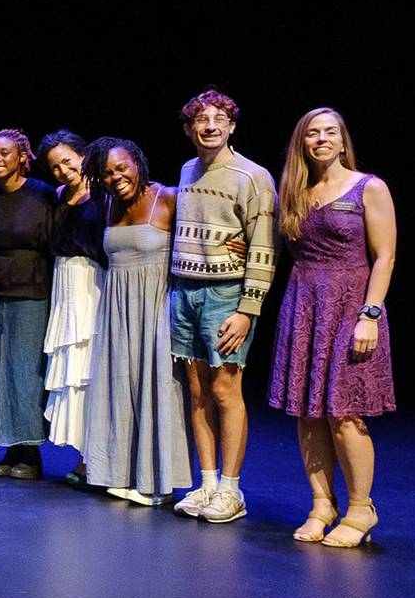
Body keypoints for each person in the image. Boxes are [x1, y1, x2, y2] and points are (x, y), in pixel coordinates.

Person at [267, 108, 395, 547]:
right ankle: (322, 504)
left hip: (351, 307)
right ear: (302, 143)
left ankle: (361, 509)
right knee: (308, 412)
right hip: (304, 306)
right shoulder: (295, 193)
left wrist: (370, 315)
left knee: (344, 412)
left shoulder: (368, 187)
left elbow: (385, 257)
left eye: (330, 132)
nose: (321, 139)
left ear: (342, 141)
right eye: (312, 133)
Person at [168, 89, 278, 524]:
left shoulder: (252, 176)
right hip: (185, 291)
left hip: (226, 294)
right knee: (197, 391)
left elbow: (264, 247)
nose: (210, 126)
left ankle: (232, 490)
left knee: (225, 390)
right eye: (201, 119)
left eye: (219, 119)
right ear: (188, 128)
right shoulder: (186, 170)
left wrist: (247, 309)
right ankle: (208, 483)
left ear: (232, 126)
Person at [83, 140, 191, 506]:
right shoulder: (109, 204)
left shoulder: (168, 197)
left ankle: (160, 483)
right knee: (120, 387)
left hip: (156, 306)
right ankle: (123, 473)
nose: (116, 177)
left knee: (158, 388)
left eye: (121, 168)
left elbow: (202, 235)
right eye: (106, 173)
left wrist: (232, 245)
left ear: (138, 162)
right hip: (117, 309)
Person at [0, 129, 57, 479]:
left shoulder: (42, 194)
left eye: (4, 153)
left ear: (22, 156)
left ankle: (31, 453)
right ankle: (10, 447)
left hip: (32, 293)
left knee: (25, 374)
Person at [38, 130, 108, 480]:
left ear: (83, 156)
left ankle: (96, 457)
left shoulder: (104, 194)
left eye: (68, 161)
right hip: (64, 284)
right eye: (55, 167)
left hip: (92, 285)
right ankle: (83, 456)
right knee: (73, 374)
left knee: (90, 371)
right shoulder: (58, 196)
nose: (63, 171)